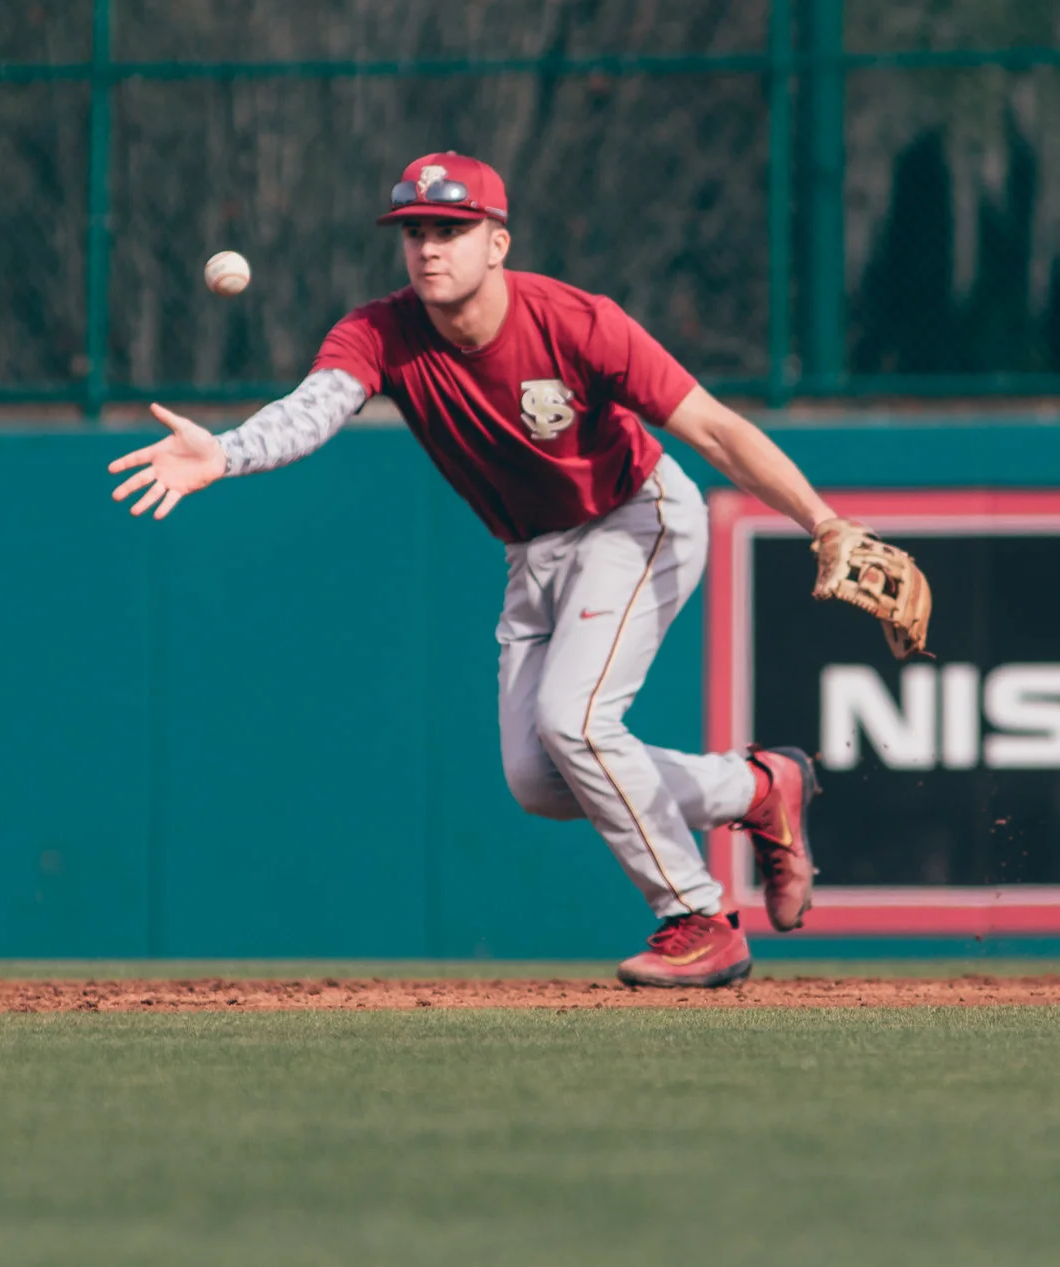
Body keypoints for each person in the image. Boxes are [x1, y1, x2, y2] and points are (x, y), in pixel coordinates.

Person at [109, 152, 833, 989]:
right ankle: (755, 787)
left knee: (578, 724)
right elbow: (313, 410)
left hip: (635, 517)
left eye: (452, 230)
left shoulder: (576, 321)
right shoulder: (379, 331)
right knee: (542, 779)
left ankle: (697, 918)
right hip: (533, 551)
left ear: (498, 242)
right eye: (415, 231)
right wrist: (228, 451)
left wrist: (823, 522)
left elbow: (713, 427)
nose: (429, 248)